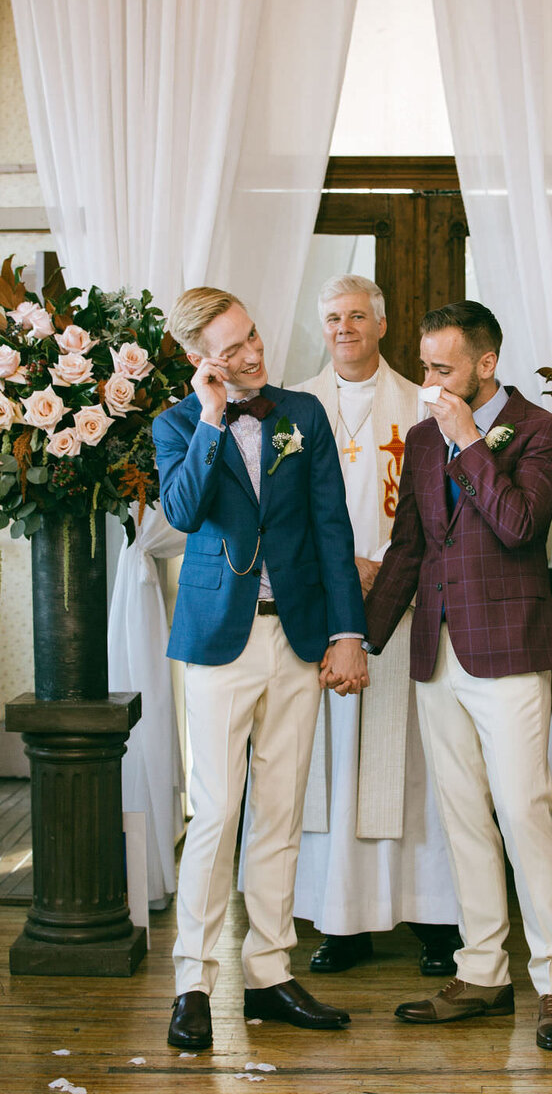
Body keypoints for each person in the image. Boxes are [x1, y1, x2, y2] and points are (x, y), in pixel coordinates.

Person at [363, 301, 552, 1051]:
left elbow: (520, 525)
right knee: (462, 819)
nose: (428, 382)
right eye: (426, 366)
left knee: (524, 812)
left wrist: (468, 441)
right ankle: (483, 972)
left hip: (510, 650)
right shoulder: (421, 441)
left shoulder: (545, 432)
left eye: (441, 368)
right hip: (436, 651)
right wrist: (362, 640)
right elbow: (408, 550)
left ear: (486, 365)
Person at [153, 286, 369, 1052]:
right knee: (215, 814)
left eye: (251, 335)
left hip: (300, 636)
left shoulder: (302, 415)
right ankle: (193, 981)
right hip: (219, 638)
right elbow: (181, 511)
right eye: (230, 346)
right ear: (198, 359)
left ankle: (269, 971)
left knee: (279, 811)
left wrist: (348, 632)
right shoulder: (177, 423)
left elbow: (331, 528)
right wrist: (211, 417)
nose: (251, 353)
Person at [292, 274, 460, 975]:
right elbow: (278, 509)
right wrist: (339, 571)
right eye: (332, 317)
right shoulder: (294, 408)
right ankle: (343, 923)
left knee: (413, 766)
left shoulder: (422, 404)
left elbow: (442, 507)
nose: (344, 328)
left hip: (404, 606)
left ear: (382, 324)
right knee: (333, 767)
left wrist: (382, 570)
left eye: (357, 315)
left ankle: (433, 921)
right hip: (324, 612)